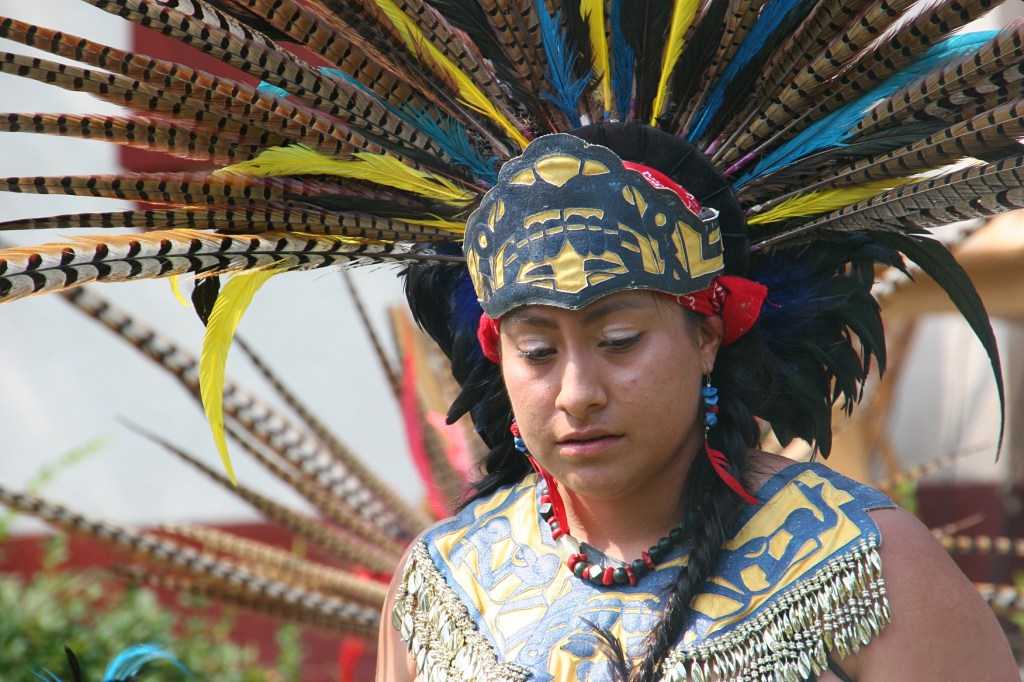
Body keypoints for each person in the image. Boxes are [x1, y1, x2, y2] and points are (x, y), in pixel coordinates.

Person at [375, 128, 1019, 680]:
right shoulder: (443, 586)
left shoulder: (869, 564)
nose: (577, 394)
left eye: (618, 341)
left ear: (707, 338)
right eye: (538, 351)